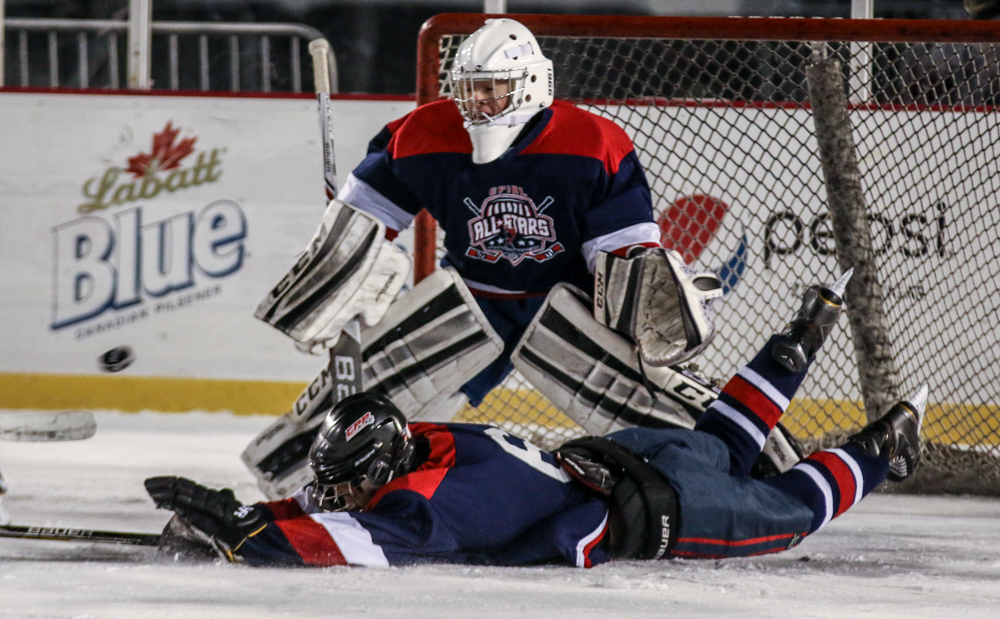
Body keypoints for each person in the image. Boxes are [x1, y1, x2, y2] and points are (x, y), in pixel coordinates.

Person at [145, 281, 926, 567]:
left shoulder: (432, 502)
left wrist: (252, 530)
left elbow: (357, 536)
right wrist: (257, 507)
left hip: (657, 506)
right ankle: (796, 343)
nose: (341, 493)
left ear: (385, 472)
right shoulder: (434, 438)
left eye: (353, 480)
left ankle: (880, 446)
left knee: (790, 511)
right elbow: (353, 503)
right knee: (723, 440)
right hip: (631, 453)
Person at [330, 16, 671, 407]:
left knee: (651, 414)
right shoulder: (423, 133)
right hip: (473, 299)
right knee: (376, 411)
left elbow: (622, 253)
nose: (476, 101)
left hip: (570, 304)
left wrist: (642, 301)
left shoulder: (593, 143)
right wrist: (342, 273)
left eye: (490, 88)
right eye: (469, 89)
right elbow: (362, 221)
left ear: (529, 86)